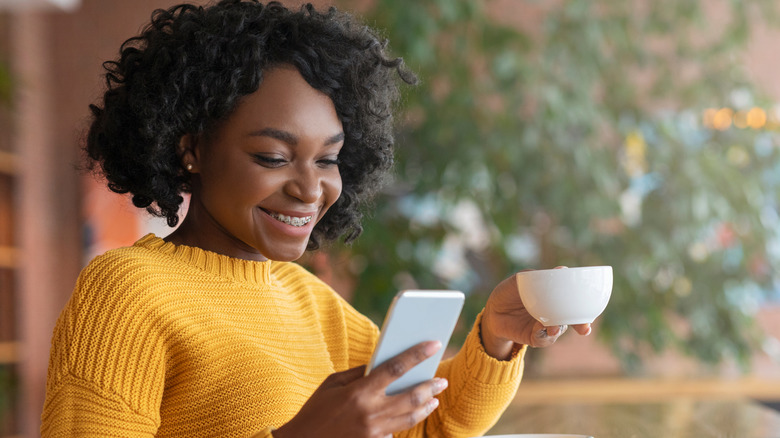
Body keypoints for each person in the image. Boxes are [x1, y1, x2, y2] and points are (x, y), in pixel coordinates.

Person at [41, 1, 592, 437]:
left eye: (327, 159)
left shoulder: (312, 302)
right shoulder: (125, 295)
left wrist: (496, 338)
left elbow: (428, 427)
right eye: (273, 158)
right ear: (192, 150)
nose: (311, 188)